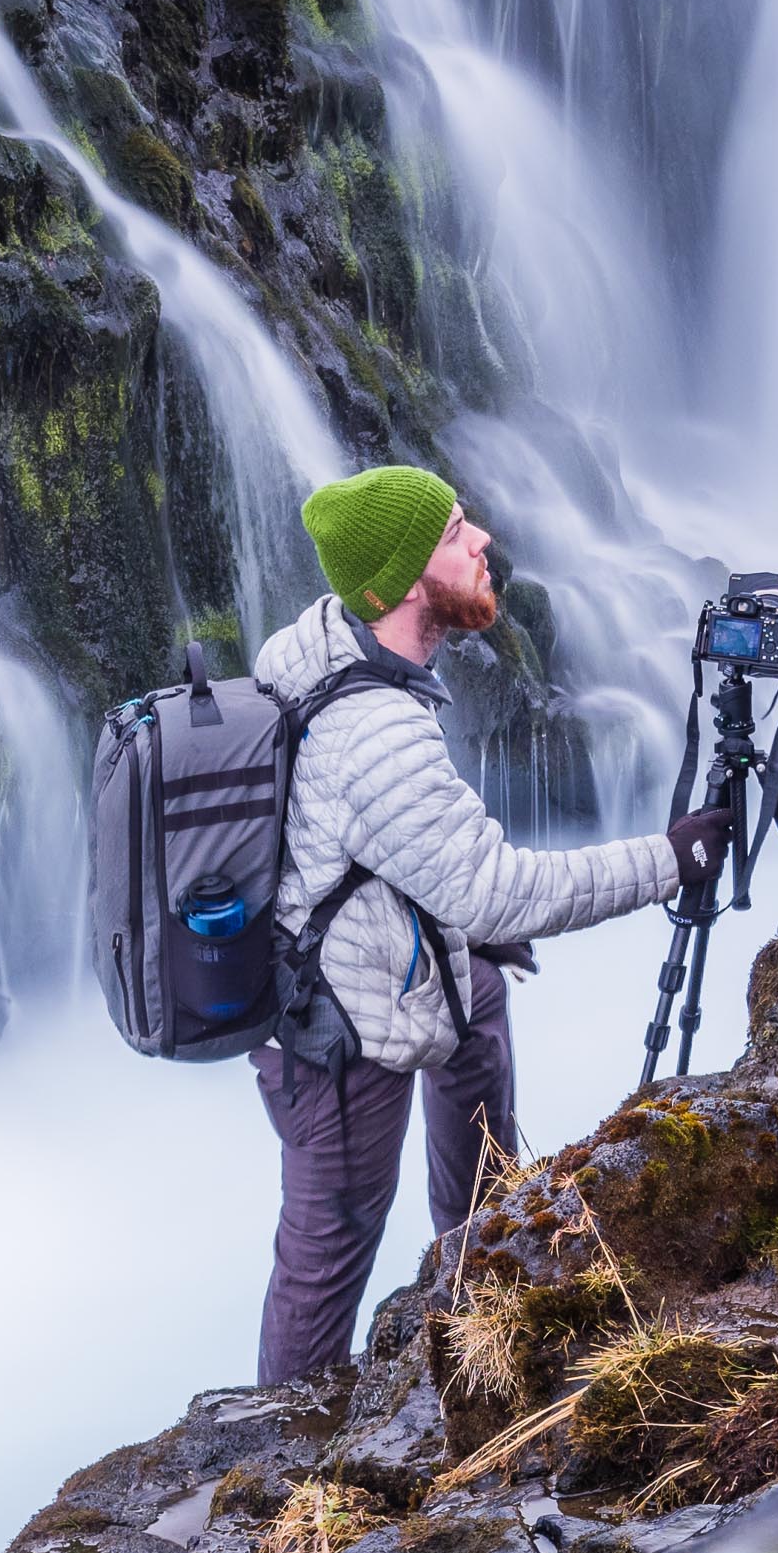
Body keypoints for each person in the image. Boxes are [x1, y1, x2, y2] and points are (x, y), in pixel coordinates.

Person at [245, 465, 718, 1387]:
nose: (482, 540)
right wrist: (673, 859)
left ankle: (482, 1268)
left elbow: (386, 859)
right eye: (455, 531)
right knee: (329, 1246)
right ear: (405, 581)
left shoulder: (341, 653)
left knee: (478, 989)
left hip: (363, 959)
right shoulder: (375, 735)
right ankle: (277, 1459)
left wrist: (456, 919)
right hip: (333, 1036)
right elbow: (497, 891)